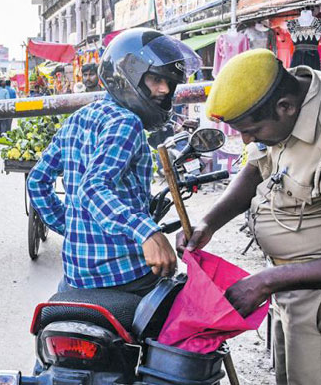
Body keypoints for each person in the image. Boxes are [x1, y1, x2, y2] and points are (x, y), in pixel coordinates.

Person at [179, 49, 321, 385]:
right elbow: (257, 167)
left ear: (285, 108)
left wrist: (266, 281)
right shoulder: (284, 102)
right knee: (292, 376)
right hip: (289, 279)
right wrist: (209, 222)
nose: (246, 139)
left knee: (319, 376)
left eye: (251, 130)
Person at [27, 28, 201, 295]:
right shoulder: (127, 122)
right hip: (124, 275)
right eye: (156, 79)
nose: (164, 90)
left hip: (75, 277)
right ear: (127, 75)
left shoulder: (77, 118)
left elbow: (37, 181)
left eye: (168, 82)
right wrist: (147, 233)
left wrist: (71, 226)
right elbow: (93, 187)